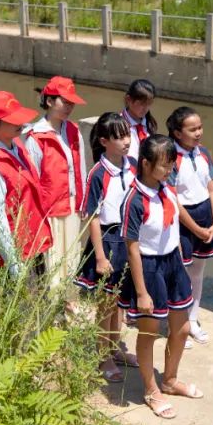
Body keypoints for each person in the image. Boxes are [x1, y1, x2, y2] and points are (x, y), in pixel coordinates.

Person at [117, 134, 203, 419]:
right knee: (149, 332)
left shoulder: (166, 190)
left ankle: (169, 379)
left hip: (172, 264)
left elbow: (172, 224)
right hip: (149, 268)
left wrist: (178, 253)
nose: (169, 170)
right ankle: (150, 388)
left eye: (171, 165)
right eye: (164, 166)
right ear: (145, 164)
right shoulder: (135, 200)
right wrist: (142, 292)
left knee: (181, 328)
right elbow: (131, 247)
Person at [0, 91, 50, 299]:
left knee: (38, 315)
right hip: (9, 259)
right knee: (19, 323)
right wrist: (15, 267)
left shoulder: (16, 147)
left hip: (31, 249)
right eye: (12, 120)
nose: (20, 123)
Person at [76, 112, 139, 382]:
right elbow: (93, 217)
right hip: (107, 240)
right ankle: (102, 356)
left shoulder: (133, 165)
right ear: (103, 141)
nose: (126, 141)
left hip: (128, 239)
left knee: (119, 304)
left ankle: (114, 349)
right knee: (105, 304)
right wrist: (100, 257)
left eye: (128, 134)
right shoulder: (98, 174)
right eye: (119, 136)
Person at [166, 106, 213, 348]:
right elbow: (172, 199)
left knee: (198, 271)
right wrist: (195, 228)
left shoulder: (204, 153)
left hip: (205, 214)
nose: (198, 132)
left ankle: (193, 319)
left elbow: (212, 188)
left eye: (200, 127)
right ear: (177, 133)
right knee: (179, 274)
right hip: (182, 219)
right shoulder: (170, 157)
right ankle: (177, 326)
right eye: (192, 129)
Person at [27, 76, 88, 295]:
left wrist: (82, 202)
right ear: (50, 101)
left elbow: (80, 169)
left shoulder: (73, 131)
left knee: (70, 260)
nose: (69, 107)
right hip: (49, 210)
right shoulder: (35, 137)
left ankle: (68, 304)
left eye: (72, 103)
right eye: (65, 102)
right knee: (51, 262)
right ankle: (51, 312)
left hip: (71, 206)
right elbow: (32, 183)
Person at [121, 78, 158, 162]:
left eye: (149, 104)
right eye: (141, 103)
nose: (146, 108)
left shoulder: (150, 124)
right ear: (128, 99)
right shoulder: (118, 125)